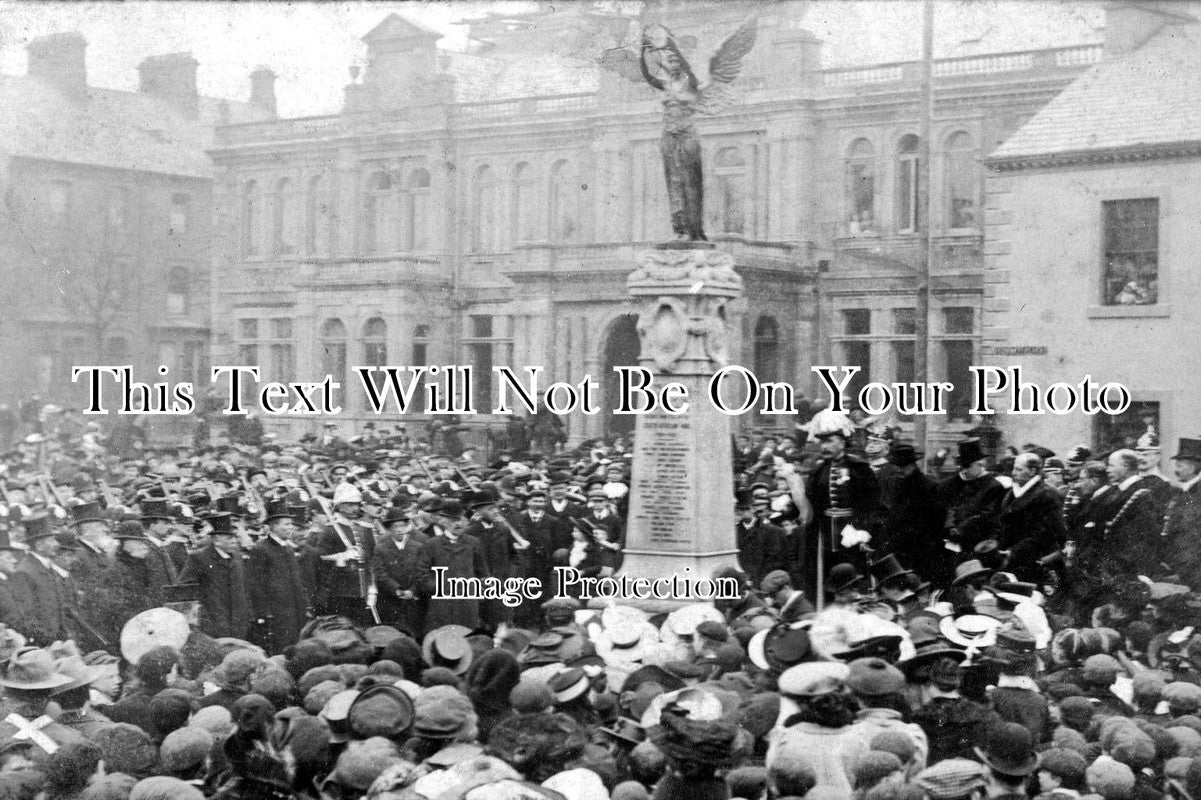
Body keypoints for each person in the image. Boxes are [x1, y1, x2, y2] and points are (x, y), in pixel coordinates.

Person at [415, 499, 491, 633]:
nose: (458, 524)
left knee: (469, 639)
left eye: (461, 520)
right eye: (452, 520)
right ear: (443, 521)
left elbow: (483, 573)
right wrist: (440, 588)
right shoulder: (432, 545)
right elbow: (422, 575)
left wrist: (478, 591)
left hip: (468, 603)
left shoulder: (473, 543)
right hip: (442, 604)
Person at [247, 505, 312, 653]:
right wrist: (264, 612)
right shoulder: (261, 549)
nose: (291, 528)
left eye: (291, 524)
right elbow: (255, 585)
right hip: (276, 613)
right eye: (287, 524)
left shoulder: (288, 549)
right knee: (280, 650)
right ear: (273, 526)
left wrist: (306, 604)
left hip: (296, 611)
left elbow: (298, 580)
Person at [178, 511, 252, 640]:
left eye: (235, 537)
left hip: (238, 624)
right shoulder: (199, 558)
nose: (235, 541)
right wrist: (203, 613)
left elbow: (244, 589)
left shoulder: (237, 557)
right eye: (229, 538)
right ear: (216, 540)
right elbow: (184, 589)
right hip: (212, 624)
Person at [1163, 438, 1201, 585]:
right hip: (1180, 565)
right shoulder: (1181, 491)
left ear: (1192, 468)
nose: (1175, 470)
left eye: (1179, 465)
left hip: (1193, 569)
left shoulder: (1197, 492)